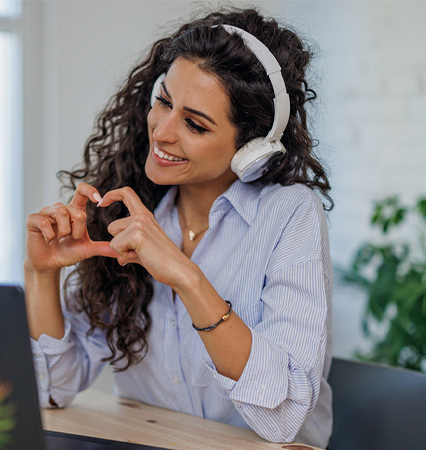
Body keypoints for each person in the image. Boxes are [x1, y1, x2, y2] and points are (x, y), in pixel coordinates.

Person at [23, 8, 333, 448]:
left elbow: (282, 418)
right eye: (164, 101)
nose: (162, 131)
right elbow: (53, 388)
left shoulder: (289, 215)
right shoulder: (124, 209)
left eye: (194, 124)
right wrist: (42, 274)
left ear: (252, 148)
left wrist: (186, 276)